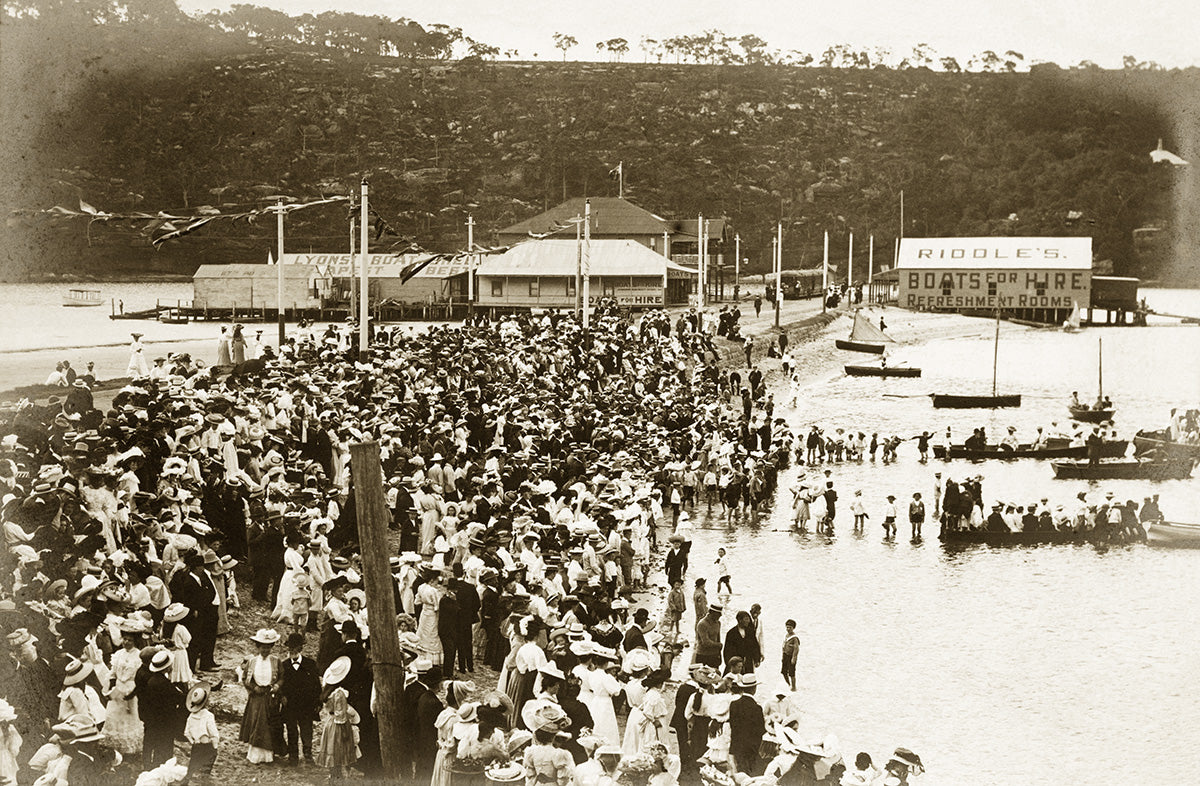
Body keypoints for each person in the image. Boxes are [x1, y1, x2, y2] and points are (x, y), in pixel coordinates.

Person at [240, 628, 282, 764]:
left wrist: (277, 686)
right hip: (256, 699)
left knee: (268, 725)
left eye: (268, 648)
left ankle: (268, 755)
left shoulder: (276, 661)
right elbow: (245, 678)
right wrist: (253, 688)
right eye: (263, 648)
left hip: (270, 698)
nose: (265, 651)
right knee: (256, 724)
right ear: (258, 647)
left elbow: (282, 677)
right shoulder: (252, 662)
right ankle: (255, 754)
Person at [278, 632, 321, 766]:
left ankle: (308, 754)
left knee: (306, 728)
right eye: (290, 647)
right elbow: (280, 684)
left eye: (295, 647)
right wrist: (282, 697)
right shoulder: (283, 665)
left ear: (301, 648)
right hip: (290, 704)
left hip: (306, 704)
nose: (292, 650)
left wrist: (318, 702)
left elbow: (317, 685)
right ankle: (293, 755)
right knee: (291, 729)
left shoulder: (310, 664)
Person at [317, 656, 360, 784]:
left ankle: (334, 777)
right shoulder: (339, 693)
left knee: (333, 751)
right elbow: (341, 715)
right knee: (339, 751)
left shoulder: (328, 691)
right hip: (338, 725)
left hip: (330, 723)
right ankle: (338, 779)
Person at [183, 685, 218, 786]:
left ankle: (187, 781)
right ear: (206, 702)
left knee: (193, 765)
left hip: (196, 746)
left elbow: (186, 732)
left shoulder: (191, 716)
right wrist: (215, 746)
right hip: (207, 746)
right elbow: (214, 733)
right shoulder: (209, 716)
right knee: (205, 771)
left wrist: (193, 741)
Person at [694, 604, 723, 669]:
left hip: (714, 655)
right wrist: (718, 645)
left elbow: (718, 638)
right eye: (718, 614)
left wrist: (719, 653)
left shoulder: (718, 623)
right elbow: (706, 642)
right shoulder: (702, 624)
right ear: (711, 612)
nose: (720, 616)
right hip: (703, 655)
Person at [781, 620, 798, 691]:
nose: (788, 629)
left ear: (793, 628)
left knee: (791, 672)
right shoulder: (786, 636)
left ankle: (793, 686)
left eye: (790, 627)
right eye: (787, 627)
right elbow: (783, 646)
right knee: (784, 672)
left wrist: (794, 658)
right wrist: (782, 656)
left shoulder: (794, 638)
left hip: (791, 657)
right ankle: (788, 684)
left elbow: (796, 649)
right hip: (785, 655)